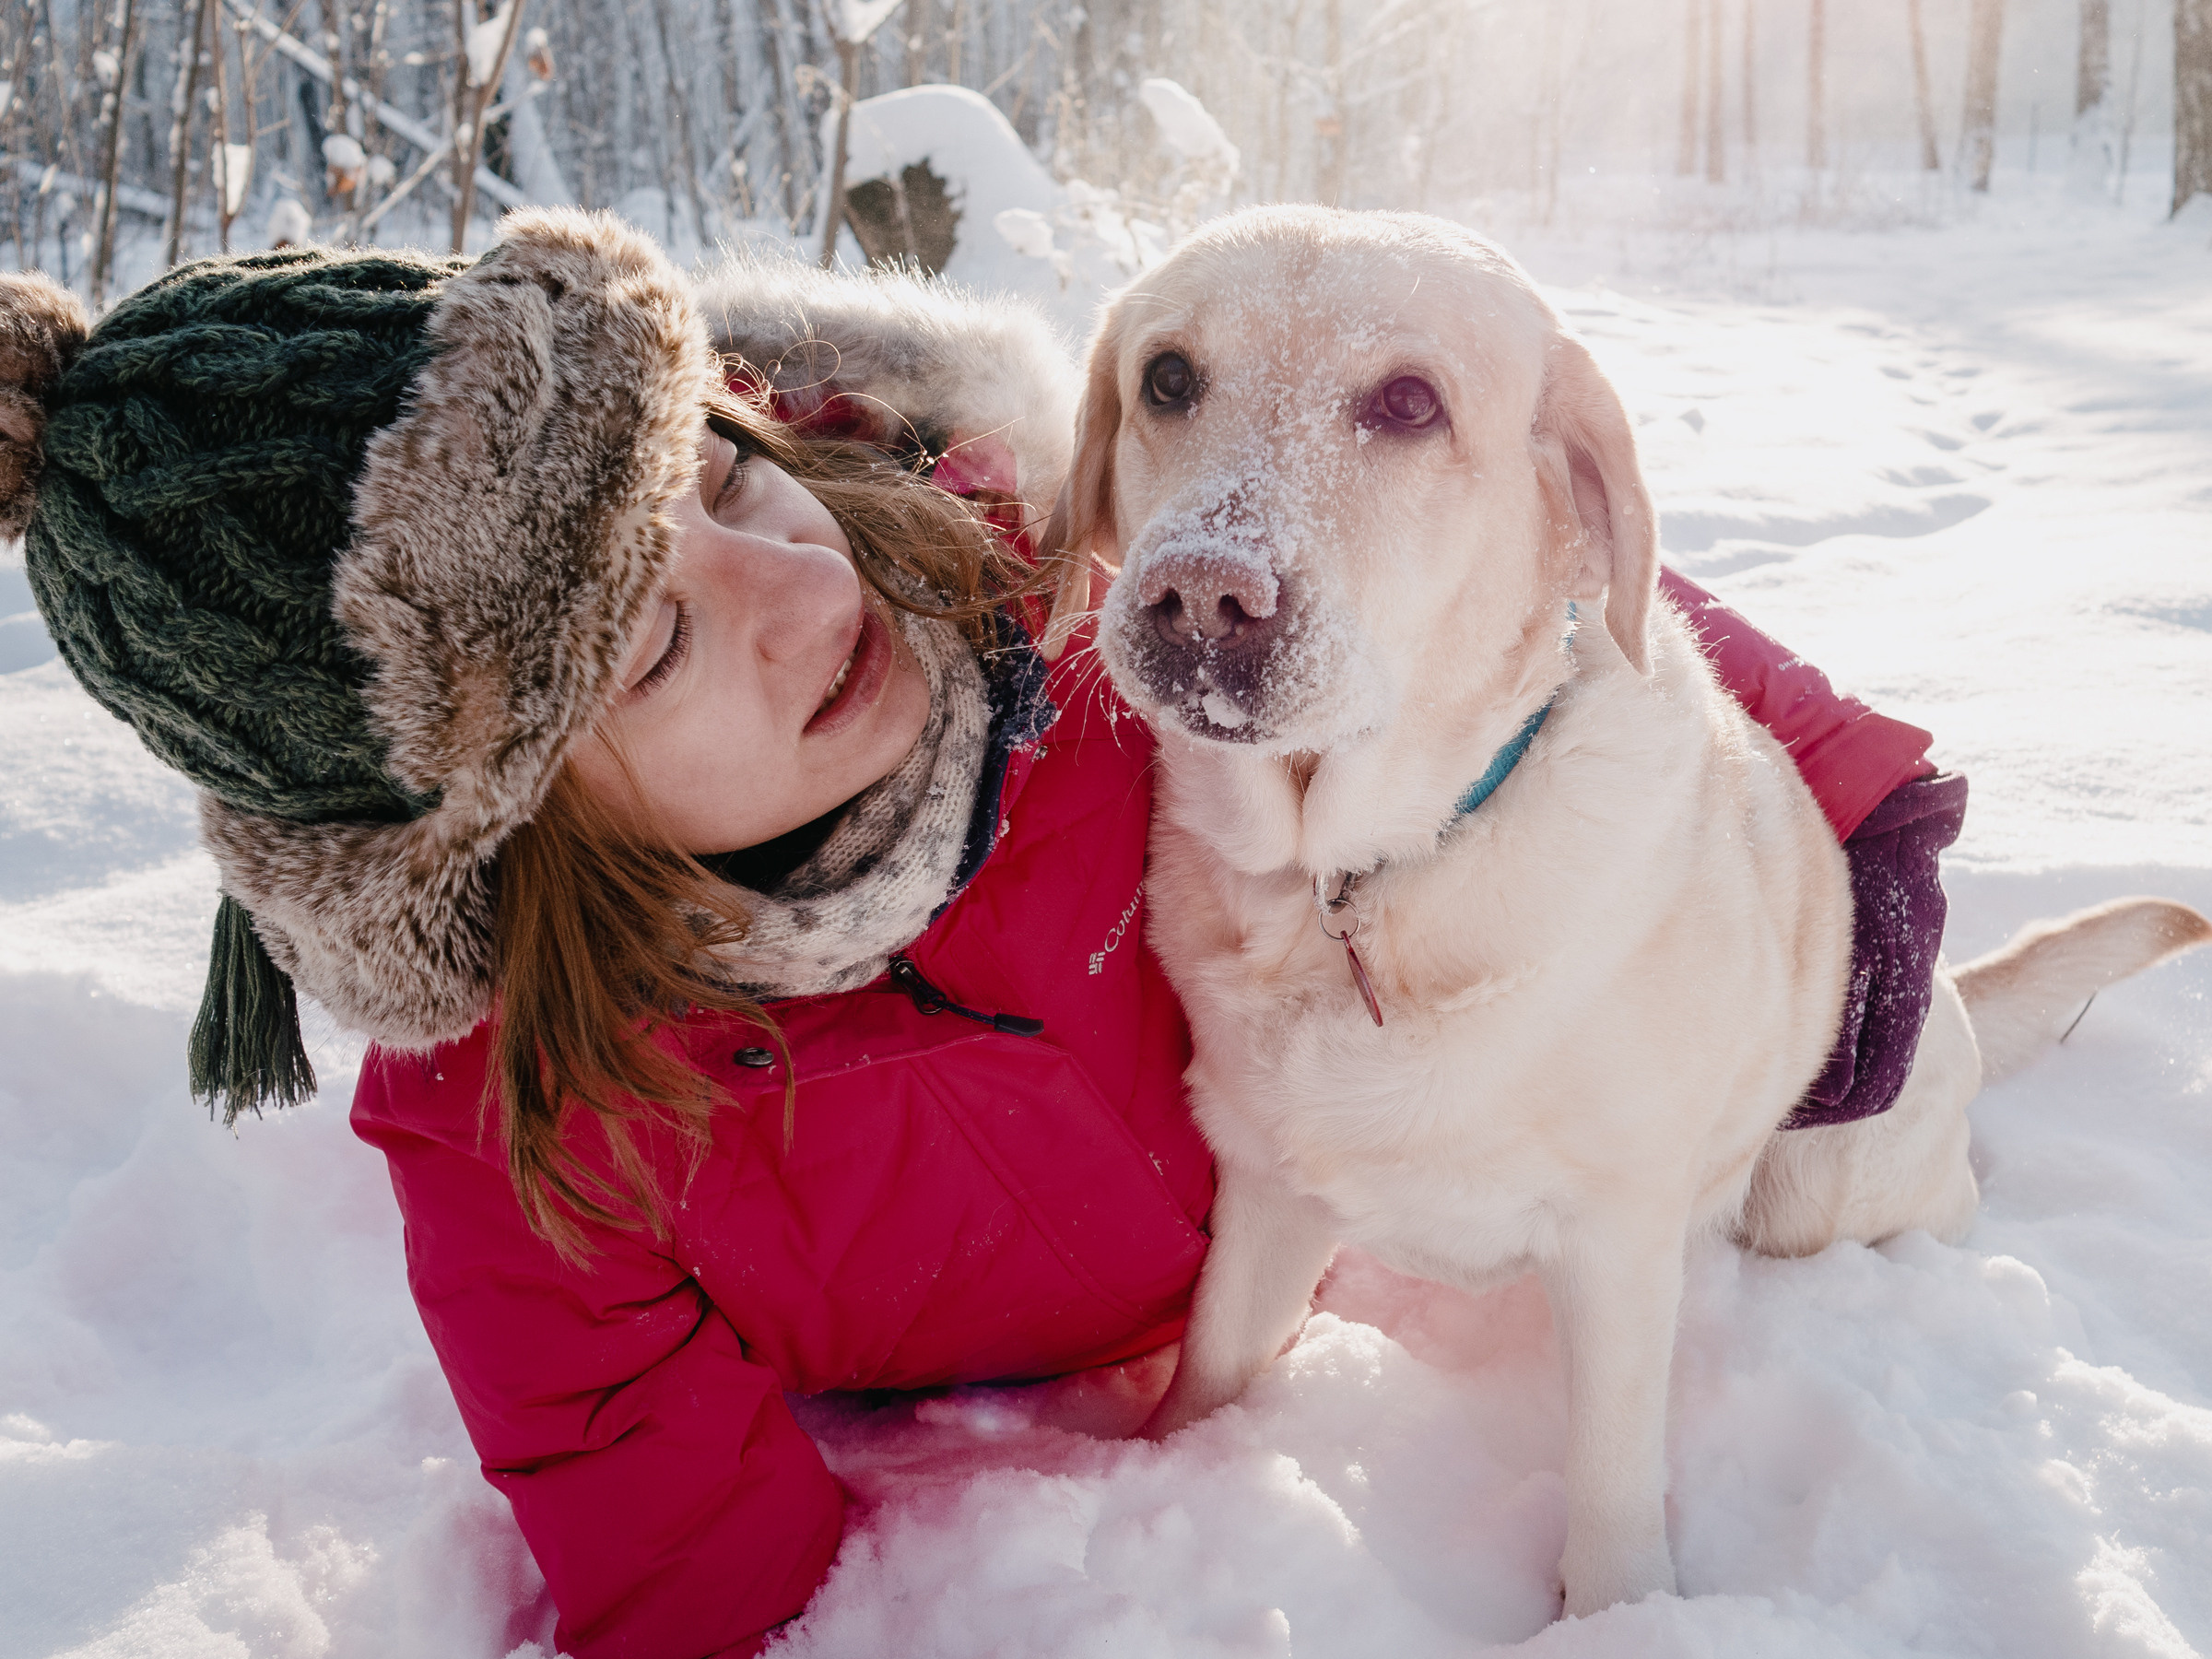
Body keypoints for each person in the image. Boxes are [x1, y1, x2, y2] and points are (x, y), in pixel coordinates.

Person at [0, 208, 1960, 1658]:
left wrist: (1864, 809)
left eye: (728, 475)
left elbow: (1508, 609)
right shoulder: (540, 1157)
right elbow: (695, 1588)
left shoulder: (1047, 600)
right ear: (495, 829)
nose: (799, 590)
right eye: (657, 641)